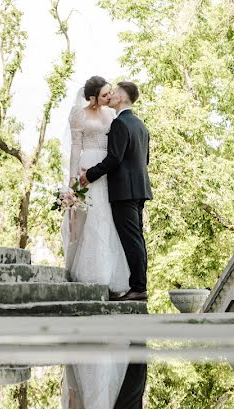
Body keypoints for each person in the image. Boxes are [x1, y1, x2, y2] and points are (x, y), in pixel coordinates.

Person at [81, 81, 152, 302]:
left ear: (120, 98)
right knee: (137, 238)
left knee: (132, 240)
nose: (110, 96)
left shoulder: (120, 124)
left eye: (114, 94)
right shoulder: (141, 125)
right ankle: (139, 285)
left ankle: (139, 287)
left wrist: (90, 174)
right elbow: (145, 160)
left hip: (124, 191)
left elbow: (114, 158)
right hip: (139, 189)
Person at [63, 76, 130, 295]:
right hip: (87, 167)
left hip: (107, 168)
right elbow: (75, 148)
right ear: (92, 97)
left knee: (108, 216)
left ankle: (112, 273)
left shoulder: (112, 114)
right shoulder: (79, 115)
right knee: (92, 215)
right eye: (104, 94)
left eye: (110, 92)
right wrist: (72, 179)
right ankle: (93, 273)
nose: (109, 97)